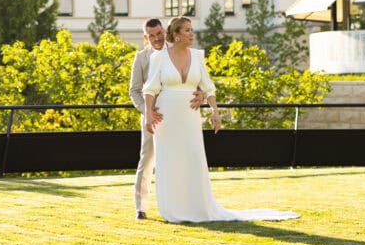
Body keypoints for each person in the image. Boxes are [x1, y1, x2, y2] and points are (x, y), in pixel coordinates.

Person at [143, 16, 299, 223]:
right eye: (187, 30)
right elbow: (150, 89)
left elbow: (208, 86)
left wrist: (215, 111)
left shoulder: (197, 56)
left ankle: (198, 208)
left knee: (194, 158)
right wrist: (148, 114)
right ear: (177, 35)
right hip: (166, 117)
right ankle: (173, 209)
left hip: (190, 115)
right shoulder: (159, 57)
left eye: (191, 29)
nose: (192, 33)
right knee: (170, 162)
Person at [128, 18, 203, 220]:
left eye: (159, 33)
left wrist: (200, 93)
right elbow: (134, 91)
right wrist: (148, 112)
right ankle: (141, 207)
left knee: (180, 160)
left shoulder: (178, 51)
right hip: (153, 119)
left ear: (165, 31)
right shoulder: (141, 58)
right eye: (151, 35)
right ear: (146, 37)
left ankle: (183, 204)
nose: (156, 38)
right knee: (147, 160)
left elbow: (191, 79)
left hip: (180, 116)